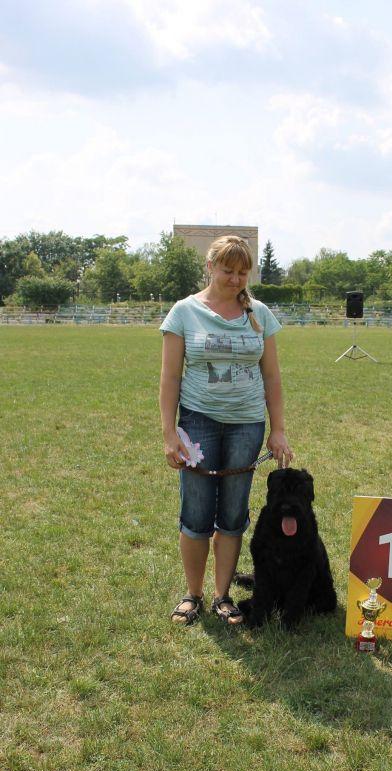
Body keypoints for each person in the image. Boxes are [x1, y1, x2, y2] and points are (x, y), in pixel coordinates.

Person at [159, 235, 293, 625]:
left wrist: (278, 429)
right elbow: (169, 379)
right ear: (210, 267)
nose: (235, 279)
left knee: (233, 514)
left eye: (242, 272)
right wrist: (169, 434)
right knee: (197, 512)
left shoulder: (260, 314)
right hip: (198, 421)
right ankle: (193, 594)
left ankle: (222, 597)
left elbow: (272, 376)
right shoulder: (184, 312)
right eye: (227, 270)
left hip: (247, 425)